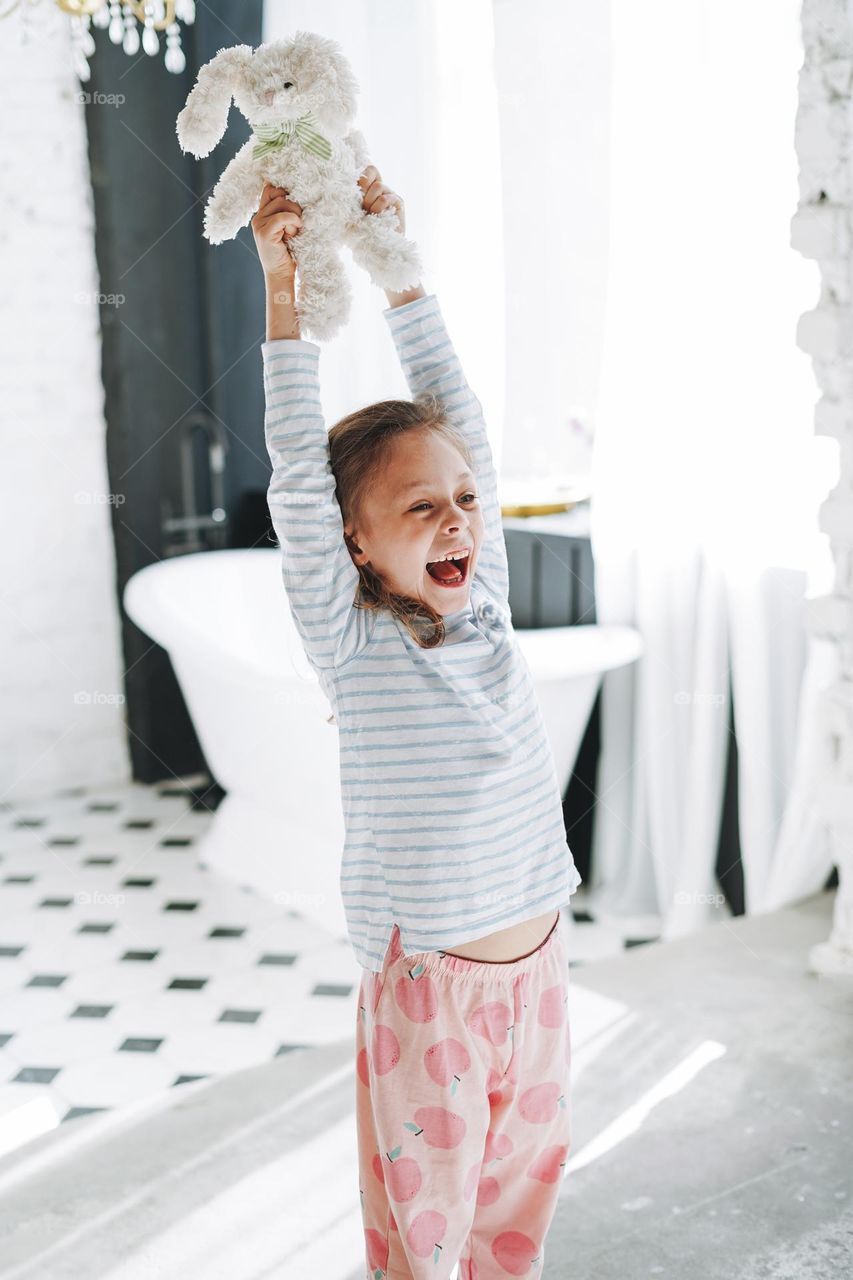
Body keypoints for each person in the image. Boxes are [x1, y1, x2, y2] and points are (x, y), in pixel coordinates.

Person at [252, 167, 581, 1279]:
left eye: (464, 499)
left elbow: (460, 420)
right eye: (418, 506)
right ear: (356, 544)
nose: (455, 517)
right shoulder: (351, 639)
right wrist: (285, 295)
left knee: (518, 1197)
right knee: (426, 1221)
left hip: (534, 968)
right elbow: (300, 477)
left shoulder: (478, 601)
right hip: (429, 988)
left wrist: (400, 268)